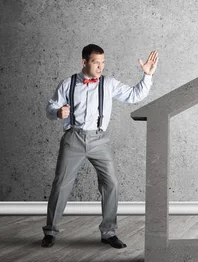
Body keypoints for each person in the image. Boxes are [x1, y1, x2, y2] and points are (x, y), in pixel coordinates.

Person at [41, 44, 158, 249]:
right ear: (84, 62)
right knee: (61, 184)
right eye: (96, 62)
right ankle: (50, 231)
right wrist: (57, 113)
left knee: (111, 183)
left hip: (99, 139)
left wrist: (147, 76)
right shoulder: (68, 84)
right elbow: (50, 107)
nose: (100, 67)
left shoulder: (109, 83)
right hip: (73, 138)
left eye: (103, 62)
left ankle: (109, 232)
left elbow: (134, 96)